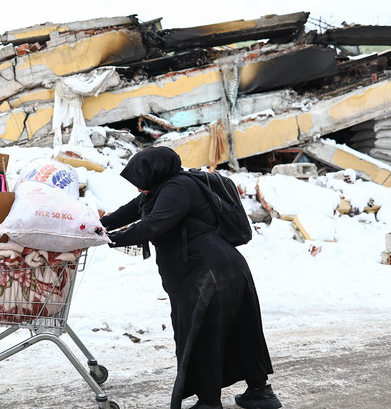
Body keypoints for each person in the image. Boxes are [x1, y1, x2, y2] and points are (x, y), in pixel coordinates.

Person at [100, 146, 281, 409]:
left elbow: (152, 226)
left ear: (155, 172)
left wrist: (108, 239)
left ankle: (209, 402)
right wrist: (94, 227)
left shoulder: (178, 188)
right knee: (238, 330)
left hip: (208, 274)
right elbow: (128, 212)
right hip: (215, 270)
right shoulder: (158, 190)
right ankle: (259, 392)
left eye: (141, 180)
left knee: (202, 334)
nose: (139, 188)